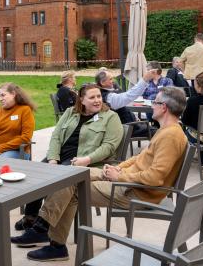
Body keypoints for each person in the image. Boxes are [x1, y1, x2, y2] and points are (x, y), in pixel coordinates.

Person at [13, 87, 189, 261]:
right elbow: (139, 158)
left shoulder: (171, 136)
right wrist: (119, 168)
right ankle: (46, 232)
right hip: (128, 180)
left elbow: (155, 178)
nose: (152, 105)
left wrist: (120, 177)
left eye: (155, 102)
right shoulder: (166, 130)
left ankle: (51, 238)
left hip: (136, 192)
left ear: (164, 107)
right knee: (71, 174)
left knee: (72, 186)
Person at [14, 83, 125, 231]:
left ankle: (43, 224)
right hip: (60, 156)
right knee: (39, 174)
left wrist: (87, 160)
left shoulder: (111, 117)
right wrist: (53, 158)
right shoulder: (70, 112)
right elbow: (56, 136)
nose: (97, 100)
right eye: (92, 97)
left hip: (85, 161)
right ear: (82, 100)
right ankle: (30, 216)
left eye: (99, 96)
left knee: (56, 180)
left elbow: (109, 146)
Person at [0, 82, 36, 159]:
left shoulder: (25, 110)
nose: (0, 99)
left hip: (18, 151)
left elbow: (26, 137)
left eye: (3, 95)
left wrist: (1, 148)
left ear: (13, 94)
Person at [95, 69, 154, 137]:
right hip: (128, 129)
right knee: (158, 132)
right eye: (110, 79)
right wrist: (144, 80)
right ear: (102, 82)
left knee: (158, 131)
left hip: (131, 125)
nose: (113, 81)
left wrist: (134, 116)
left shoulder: (107, 93)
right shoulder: (108, 97)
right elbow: (129, 96)